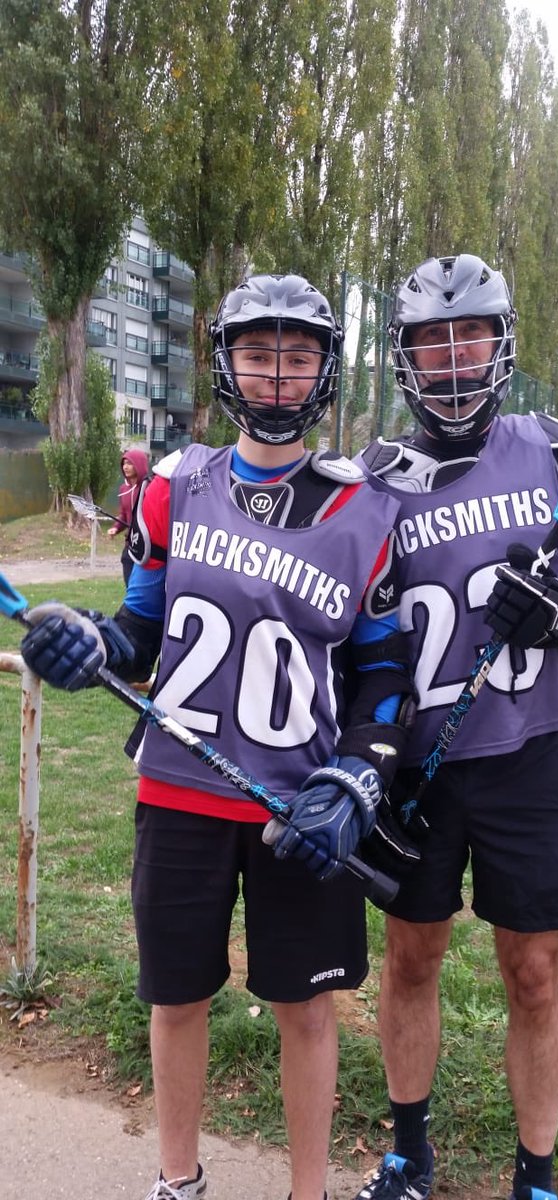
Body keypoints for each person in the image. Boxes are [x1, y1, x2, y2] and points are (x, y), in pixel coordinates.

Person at [19, 273, 417, 1200]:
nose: (276, 376)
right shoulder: (174, 485)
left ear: (324, 370)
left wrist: (356, 779)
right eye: (256, 354)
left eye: (296, 357)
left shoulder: (367, 511)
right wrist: (90, 643)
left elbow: (385, 675)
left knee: (305, 1007)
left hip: (298, 807)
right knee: (177, 996)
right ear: (226, 363)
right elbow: (138, 631)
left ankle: (307, 1191)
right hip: (178, 793)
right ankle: (177, 1180)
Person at [351, 254, 558, 1200]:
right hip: (418, 765)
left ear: (500, 344)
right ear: (404, 357)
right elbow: (350, 633)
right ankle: (408, 1154)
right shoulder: (373, 480)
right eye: (431, 342)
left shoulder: (556, 452)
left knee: (534, 970)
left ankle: (536, 1176)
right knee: (411, 957)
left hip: (529, 752)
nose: (451, 359)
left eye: (469, 336)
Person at [108, 448, 149, 584]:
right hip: (130, 545)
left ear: (139, 464)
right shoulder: (123, 489)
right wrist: (116, 528)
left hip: (147, 546)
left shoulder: (149, 487)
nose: (125, 467)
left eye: (130, 463)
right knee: (129, 584)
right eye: (124, 463)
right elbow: (124, 515)